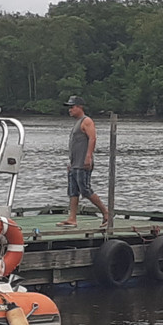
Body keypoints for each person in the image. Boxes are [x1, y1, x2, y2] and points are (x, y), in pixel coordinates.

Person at [58, 96, 110, 228]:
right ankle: (72, 218)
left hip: (83, 163)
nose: (70, 110)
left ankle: (106, 213)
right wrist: (71, 162)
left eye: (72, 107)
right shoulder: (76, 122)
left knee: (85, 190)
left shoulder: (86, 121)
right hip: (75, 163)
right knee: (73, 191)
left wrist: (88, 157)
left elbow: (92, 138)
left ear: (79, 107)